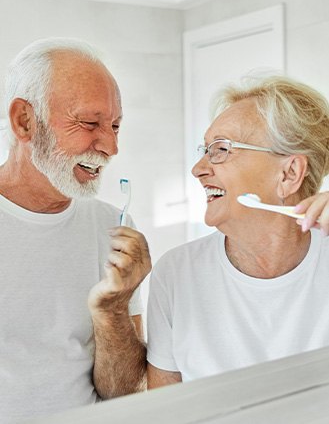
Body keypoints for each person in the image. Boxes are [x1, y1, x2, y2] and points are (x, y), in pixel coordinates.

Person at [0, 38, 151, 423]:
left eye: (116, 126)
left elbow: (124, 392)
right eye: (89, 123)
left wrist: (114, 307)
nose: (111, 146)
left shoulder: (113, 228)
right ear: (24, 121)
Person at [146, 75, 329, 388]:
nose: (198, 168)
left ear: (289, 173)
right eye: (205, 149)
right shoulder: (177, 273)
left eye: (221, 149)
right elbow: (165, 411)